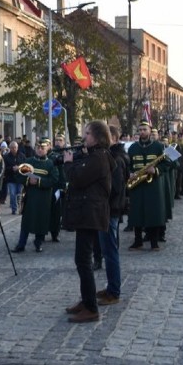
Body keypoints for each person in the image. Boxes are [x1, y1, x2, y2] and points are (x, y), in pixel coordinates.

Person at [62, 121, 114, 323]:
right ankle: (86, 300)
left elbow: (78, 179)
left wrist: (68, 163)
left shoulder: (99, 158)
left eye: (88, 133)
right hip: (87, 213)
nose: (84, 137)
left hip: (91, 214)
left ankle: (91, 307)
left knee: (84, 261)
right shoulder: (94, 156)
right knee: (81, 260)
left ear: (98, 137)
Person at [96, 124, 128, 306]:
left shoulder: (116, 158)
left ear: (113, 139)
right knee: (108, 250)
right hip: (109, 209)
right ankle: (111, 287)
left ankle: (114, 291)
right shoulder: (114, 156)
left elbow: (114, 188)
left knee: (110, 252)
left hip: (110, 209)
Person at [127, 122, 169, 250]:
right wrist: (130, 173)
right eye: (140, 130)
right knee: (136, 212)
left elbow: (169, 164)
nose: (142, 132)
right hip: (137, 184)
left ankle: (154, 242)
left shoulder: (159, 146)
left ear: (150, 130)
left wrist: (156, 170)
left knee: (153, 213)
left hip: (153, 184)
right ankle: (138, 240)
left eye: (144, 129)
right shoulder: (132, 147)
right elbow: (128, 164)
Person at [13, 138, 58, 253]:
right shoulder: (28, 161)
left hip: (44, 198)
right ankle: (21, 244)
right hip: (30, 196)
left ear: (47, 149)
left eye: (42, 148)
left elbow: (54, 180)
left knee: (41, 221)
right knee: (26, 222)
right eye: (38, 147)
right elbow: (19, 176)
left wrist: (39, 182)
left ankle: (38, 243)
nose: (39, 150)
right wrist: (28, 180)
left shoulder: (50, 164)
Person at [3, 141, 26, 215]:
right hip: (11, 179)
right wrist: (12, 168)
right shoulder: (6, 157)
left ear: (17, 148)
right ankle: (14, 209)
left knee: (19, 194)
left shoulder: (22, 156)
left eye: (15, 147)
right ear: (9, 148)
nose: (14, 149)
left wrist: (19, 168)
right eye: (12, 148)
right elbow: (4, 168)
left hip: (20, 178)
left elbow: (25, 166)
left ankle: (20, 208)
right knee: (12, 194)